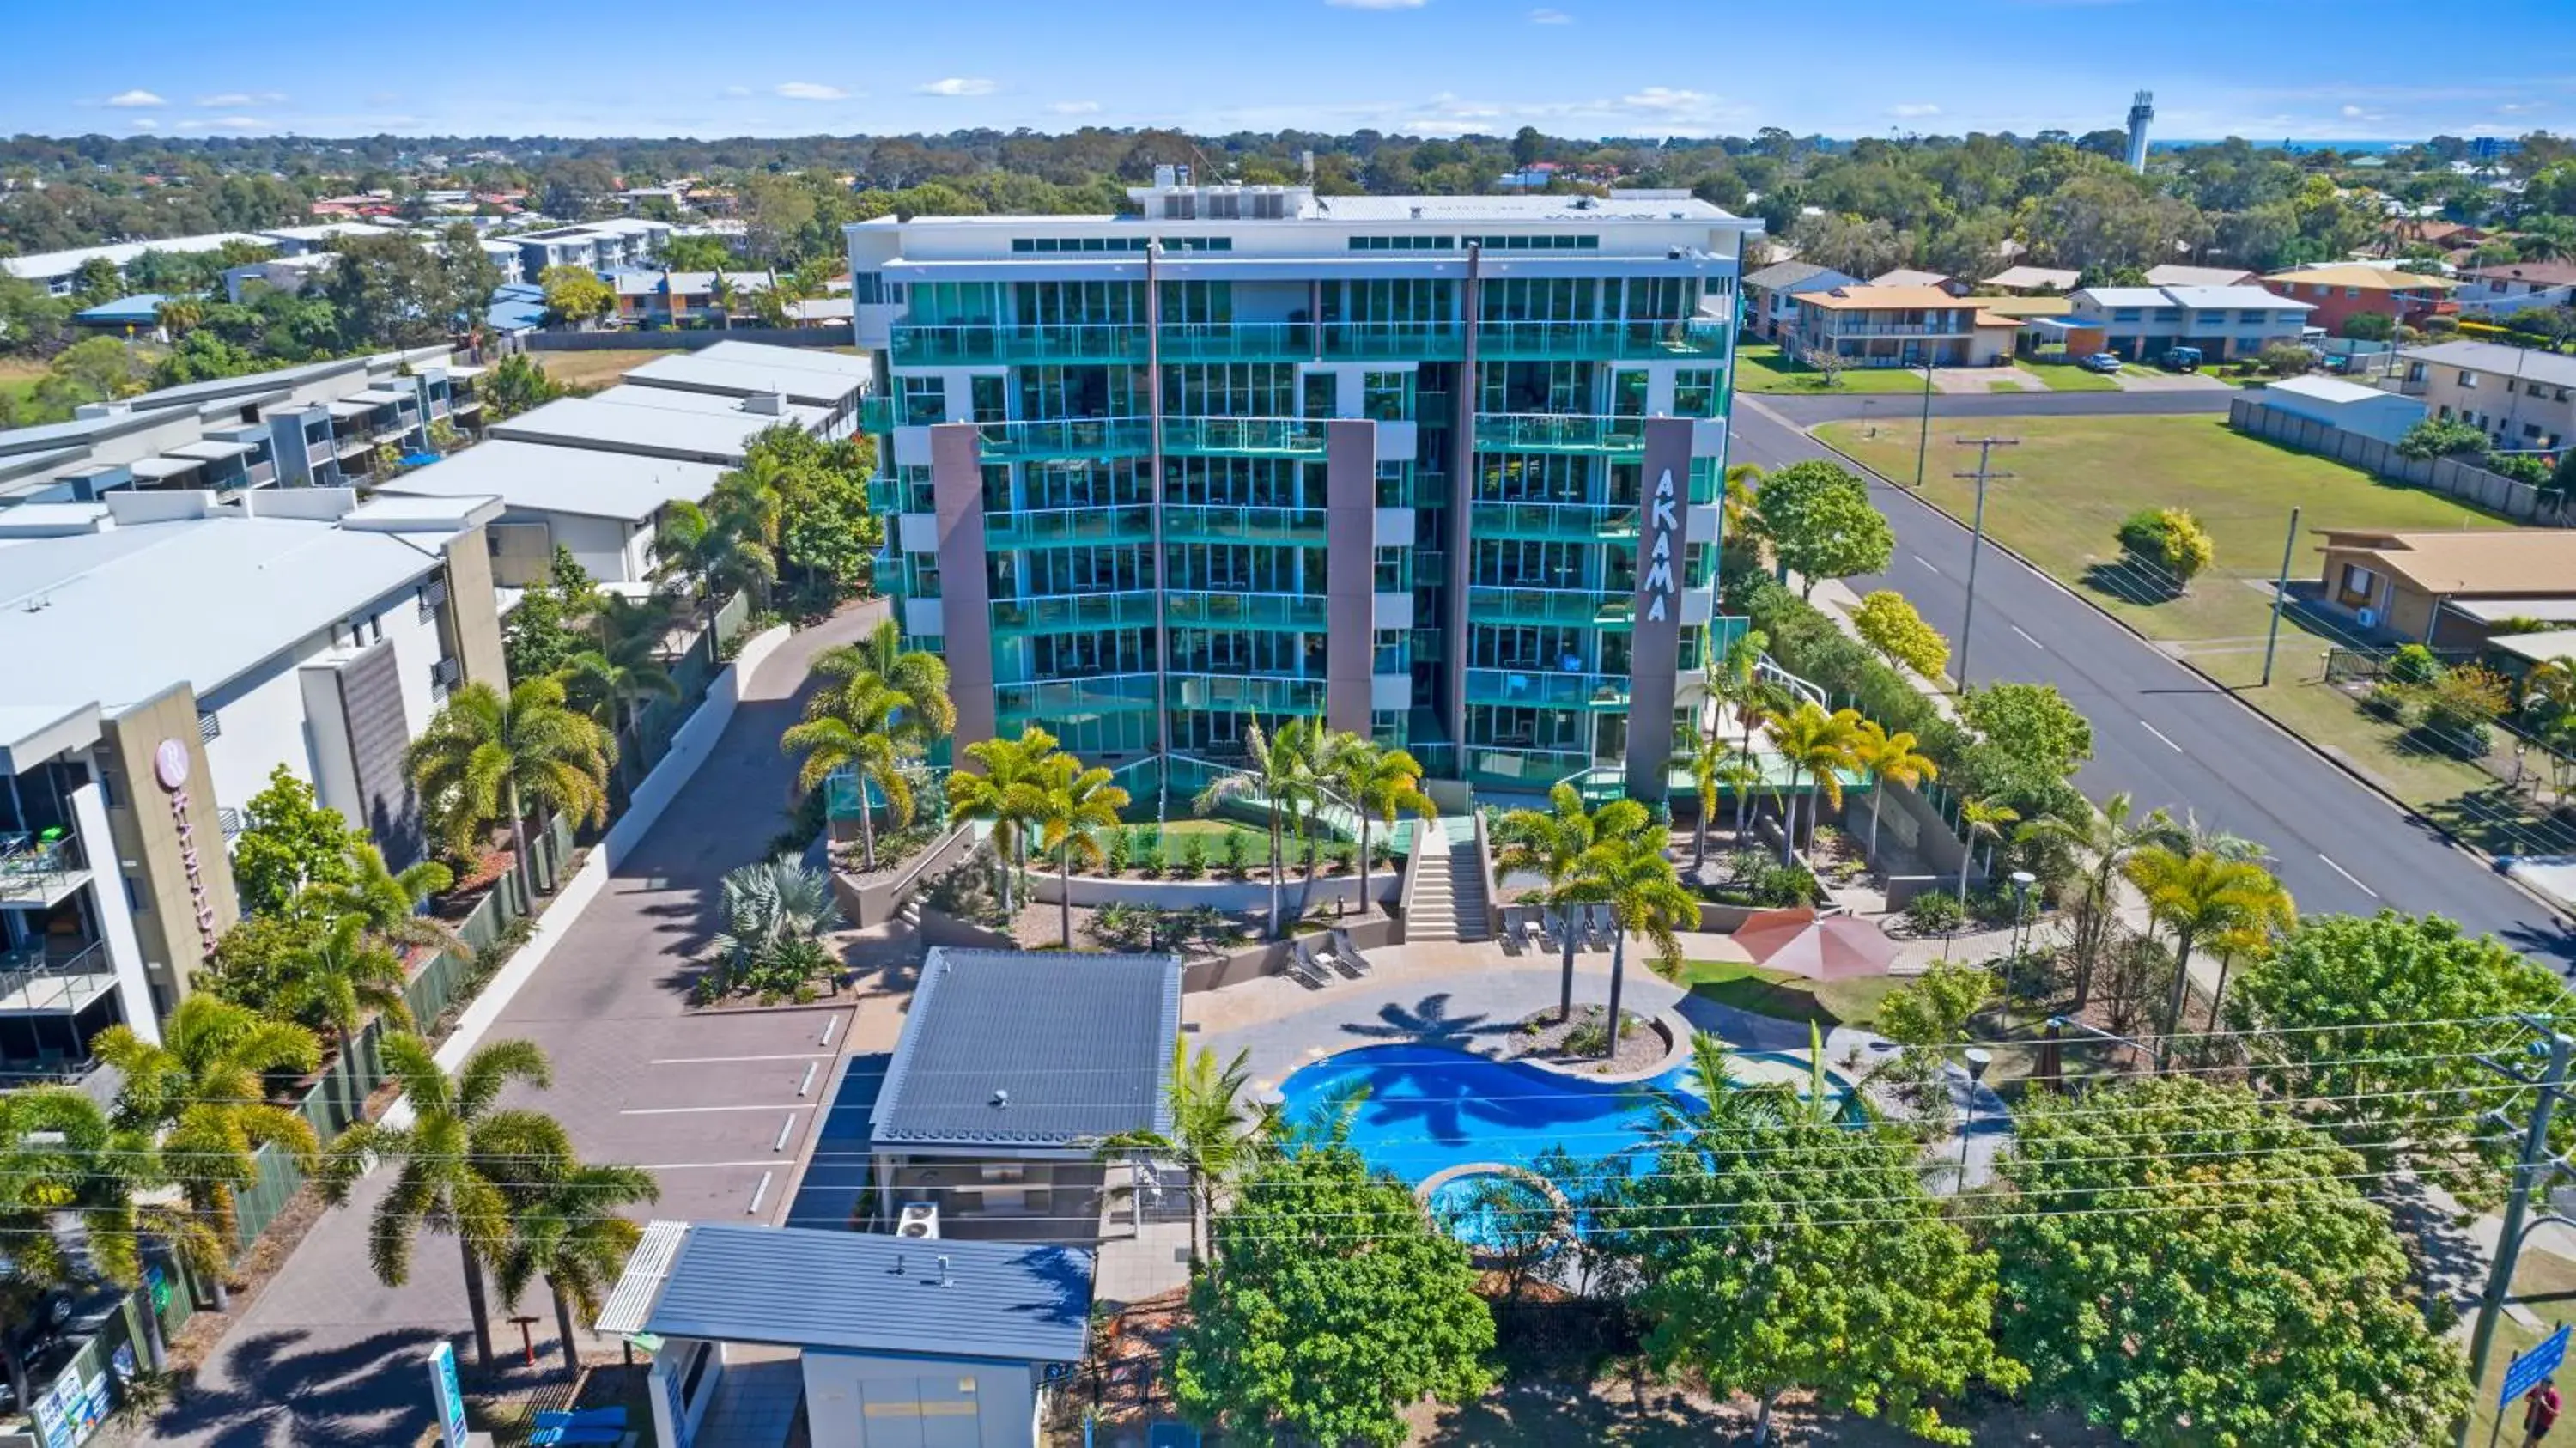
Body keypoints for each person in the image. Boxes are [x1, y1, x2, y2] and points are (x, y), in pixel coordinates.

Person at [2528, 1375, 2563, 1448]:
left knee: (2530, 1441)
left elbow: (2557, 1413)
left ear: (2551, 1385)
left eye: (2545, 1385)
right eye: (2542, 1384)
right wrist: (2535, 1401)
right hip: (2532, 1418)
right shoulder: (2537, 1389)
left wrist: (2545, 1404)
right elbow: (2527, 1398)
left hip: (2544, 1424)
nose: (2542, 1387)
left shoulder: (2555, 1397)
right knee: (2532, 1439)